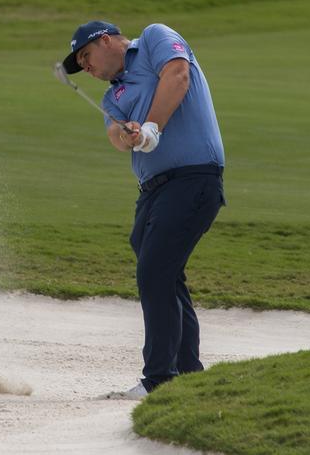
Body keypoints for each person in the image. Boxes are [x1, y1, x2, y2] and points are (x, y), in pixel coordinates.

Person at [61, 21, 226, 399]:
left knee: (154, 272)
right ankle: (187, 374)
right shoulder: (112, 96)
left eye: (85, 56)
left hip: (193, 178)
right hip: (152, 191)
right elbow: (116, 139)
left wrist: (152, 127)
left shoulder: (153, 40)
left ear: (105, 40)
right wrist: (130, 134)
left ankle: (160, 379)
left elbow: (178, 74)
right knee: (162, 271)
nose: (85, 67)